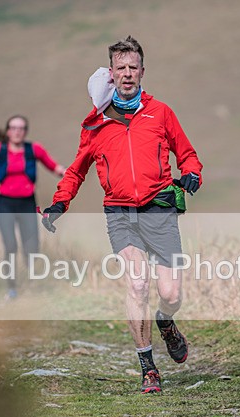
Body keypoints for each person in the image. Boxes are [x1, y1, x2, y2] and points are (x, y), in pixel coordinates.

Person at [41, 36, 203, 394]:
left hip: (159, 210)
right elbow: (76, 171)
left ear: (142, 71)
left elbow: (187, 152)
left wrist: (191, 172)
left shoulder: (161, 112)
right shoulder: (96, 124)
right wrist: (59, 204)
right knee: (138, 282)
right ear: (110, 74)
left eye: (133, 68)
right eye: (121, 69)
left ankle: (166, 322)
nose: (127, 74)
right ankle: (149, 369)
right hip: (120, 213)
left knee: (171, 292)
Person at [0, 114, 65, 300]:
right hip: (5, 204)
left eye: (21, 128)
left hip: (27, 203)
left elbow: (54, 167)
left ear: (26, 131)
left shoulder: (34, 149)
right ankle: (12, 288)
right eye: (14, 128)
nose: (17, 131)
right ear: (8, 131)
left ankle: (31, 283)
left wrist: (70, 175)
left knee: (31, 247)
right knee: (10, 246)